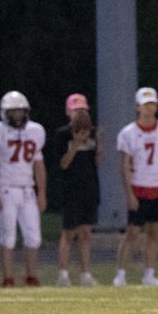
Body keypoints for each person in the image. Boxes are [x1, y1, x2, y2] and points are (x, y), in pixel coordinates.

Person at [114, 87, 158, 286]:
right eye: (145, 105)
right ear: (137, 107)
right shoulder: (128, 133)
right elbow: (125, 166)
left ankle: (149, 273)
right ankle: (120, 273)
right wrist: (129, 193)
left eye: (152, 104)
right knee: (132, 233)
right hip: (139, 187)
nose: (148, 109)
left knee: (154, 232)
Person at [0, 91, 48, 287]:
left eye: (20, 111)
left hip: (27, 189)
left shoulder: (34, 131)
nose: (17, 115)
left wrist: (41, 192)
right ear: (4, 113)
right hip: (6, 188)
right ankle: (8, 278)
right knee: (8, 236)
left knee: (33, 236)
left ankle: (31, 276)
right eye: (13, 112)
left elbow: (39, 165)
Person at [54, 94, 102, 286]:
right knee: (68, 233)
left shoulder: (93, 133)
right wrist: (75, 144)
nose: (79, 113)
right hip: (71, 189)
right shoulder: (63, 134)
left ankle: (85, 274)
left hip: (89, 188)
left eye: (82, 110)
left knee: (85, 233)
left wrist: (99, 145)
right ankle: (63, 274)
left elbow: (97, 162)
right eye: (75, 110)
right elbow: (63, 164)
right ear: (68, 112)